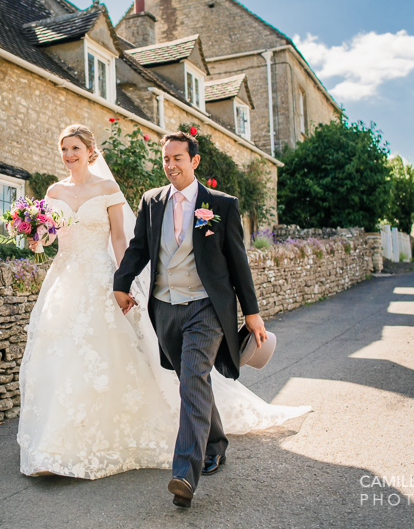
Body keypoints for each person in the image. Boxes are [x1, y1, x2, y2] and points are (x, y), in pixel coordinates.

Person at [17, 125, 310, 491]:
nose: (171, 165)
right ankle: (215, 442)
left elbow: (237, 263)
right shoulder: (152, 201)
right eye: (166, 159)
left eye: (177, 158)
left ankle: (185, 472)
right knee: (191, 380)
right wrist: (118, 283)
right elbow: (137, 248)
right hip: (160, 305)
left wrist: (251, 314)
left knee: (192, 376)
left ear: (194, 160)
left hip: (205, 306)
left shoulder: (221, 205)